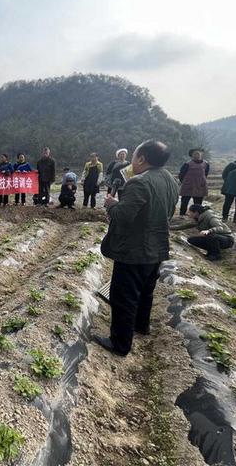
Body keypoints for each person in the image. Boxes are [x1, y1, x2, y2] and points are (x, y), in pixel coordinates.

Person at [96, 140, 179, 357]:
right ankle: (141, 326)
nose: (132, 160)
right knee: (145, 292)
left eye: (134, 155)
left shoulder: (139, 182)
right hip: (157, 248)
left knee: (124, 296)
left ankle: (120, 344)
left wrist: (111, 204)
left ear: (141, 158)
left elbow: (123, 217)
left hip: (135, 251)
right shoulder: (169, 179)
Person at [177, 148, 209, 216]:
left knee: (198, 202)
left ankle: (197, 215)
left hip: (200, 185)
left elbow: (205, 174)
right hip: (188, 185)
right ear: (191, 155)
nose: (197, 155)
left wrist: (202, 181)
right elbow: (181, 174)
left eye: (199, 153)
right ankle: (182, 214)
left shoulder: (206, 164)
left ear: (201, 154)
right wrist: (184, 182)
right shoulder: (187, 164)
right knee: (185, 201)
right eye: (195, 154)